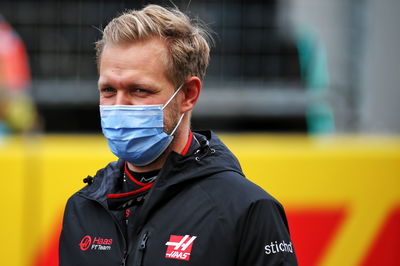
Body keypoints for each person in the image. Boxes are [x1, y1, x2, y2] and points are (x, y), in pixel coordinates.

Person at [59, 4, 298, 266]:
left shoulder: (247, 210)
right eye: (108, 90)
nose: (119, 105)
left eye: (139, 90)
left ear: (188, 95)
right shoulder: (83, 208)